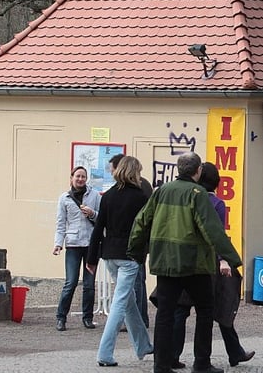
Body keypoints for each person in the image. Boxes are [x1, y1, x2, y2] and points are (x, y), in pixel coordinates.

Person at [128, 152, 243, 373]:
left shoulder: (161, 191)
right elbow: (213, 230)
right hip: (194, 263)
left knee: (165, 314)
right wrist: (231, 258)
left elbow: (141, 221)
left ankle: (161, 365)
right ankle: (201, 363)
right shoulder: (197, 193)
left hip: (165, 262)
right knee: (205, 311)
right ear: (198, 170)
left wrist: (135, 251)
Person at [86, 156, 153, 367]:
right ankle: (104, 353)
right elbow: (147, 227)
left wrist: (91, 258)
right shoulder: (141, 196)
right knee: (120, 303)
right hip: (130, 256)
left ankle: (143, 346)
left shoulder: (108, 195)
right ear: (134, 172)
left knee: (129, 301)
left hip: (109, 254)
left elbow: (98, 228)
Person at [53, 165, 102, 331]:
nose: (80, 179)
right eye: (77, 176)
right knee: (71, 282)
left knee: (89, 284)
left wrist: (92, 213)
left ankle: (88, 317)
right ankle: (61, 317)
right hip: (73, 244)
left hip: (91, 244)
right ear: (71, 178)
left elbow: (103, 218)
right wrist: (58, 243)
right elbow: (60, 223)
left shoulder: (94, 195)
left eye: (83, 176)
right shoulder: (64, 198)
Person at [110, 153, 151, 328]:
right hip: (135, 243)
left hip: (134, 243)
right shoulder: (139, 188)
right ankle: (140, 319)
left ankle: (136, 320)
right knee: (137, 282)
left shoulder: (139, 190)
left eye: (114, 169)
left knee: (135, 283)